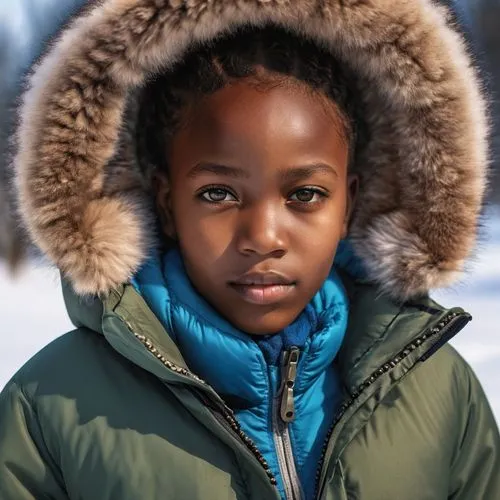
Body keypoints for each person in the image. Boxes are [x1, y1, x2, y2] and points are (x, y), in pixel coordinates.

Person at [0, 0, 499, 498]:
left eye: (305, 195)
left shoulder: (438, 391)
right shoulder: (50, 405)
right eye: (218, 194)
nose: (263, 237)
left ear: (350, 202)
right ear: (167, 203)